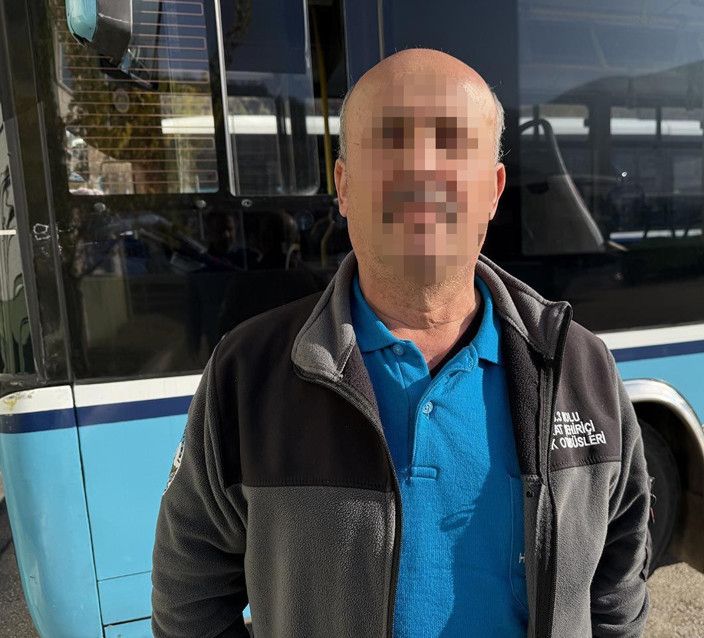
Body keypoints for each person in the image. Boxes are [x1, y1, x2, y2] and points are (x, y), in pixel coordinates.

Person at [151, 48, 652, 637]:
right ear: (343, 186)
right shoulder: (248, 374)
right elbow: (189, 602)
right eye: (391, 142)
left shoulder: (579, 367)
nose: (422, 169)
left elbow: (616, 592)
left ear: (493, 191)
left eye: (453, 143)